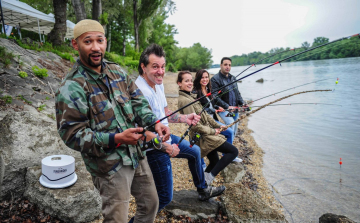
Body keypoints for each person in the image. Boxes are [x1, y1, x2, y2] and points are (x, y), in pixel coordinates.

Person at [55, 20, 170, 223]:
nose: (95, 47)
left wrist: (154, 122)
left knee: (151, 204)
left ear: (105, 41)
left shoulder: (117, 72)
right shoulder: (72, 86)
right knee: (117, 219)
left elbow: (138, 102)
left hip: (136, 155)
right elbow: (71, 134)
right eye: (88, 41)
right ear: (75, 44)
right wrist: (116, 138)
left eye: (99, 40)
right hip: (108, 166)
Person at [135, 44, 226, 213]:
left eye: (162, 66)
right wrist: (167, 147)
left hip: (166, 138)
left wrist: (185, 118)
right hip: (152, 147)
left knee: (195, 152)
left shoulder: (158, 83)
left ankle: (203, 190)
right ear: (143, 66)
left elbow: (165, 113)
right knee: (164, 197)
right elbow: (140, 132)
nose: (161, 71)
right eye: (155, 67)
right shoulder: (139, 91)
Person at [177, 71, 239, 186]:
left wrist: (219, 125)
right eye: (186, 81)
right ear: (179, 83)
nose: (190, 83)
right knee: (233, 151)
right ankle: (208, 178)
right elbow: (195, 126)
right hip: (203, 136)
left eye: (190, 80)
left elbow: (205, 114)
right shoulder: (185, 100)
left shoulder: (191, 96)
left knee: (215, 161)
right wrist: (213, 131)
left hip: (207, 131)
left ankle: (203, 183)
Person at [193, 69, 243, 163]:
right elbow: (199, 109)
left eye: (206, 77)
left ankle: (227, 156)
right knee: (201, 140)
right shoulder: (195, 93)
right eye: (202, 77)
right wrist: (213, 110)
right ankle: (202, 163)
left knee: (229, 132)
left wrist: (217, 107)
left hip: (213, 120)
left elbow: (210, 104)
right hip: (204, 122)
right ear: (198, 78)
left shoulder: (208, 89)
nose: (205, 79)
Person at [211, 57, 248, 136]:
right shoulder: (215, 79)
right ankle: (228, 146)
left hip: (234, 110)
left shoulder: (233, 78)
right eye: (225, 65)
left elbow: (237, 93)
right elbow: (214, 96)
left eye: (229, 65)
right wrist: (227, 106)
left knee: (234, 129)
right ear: (221, 65)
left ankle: (230, 146)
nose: (227, 67)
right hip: (224, 110)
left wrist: (242, 103)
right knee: (230, 123)